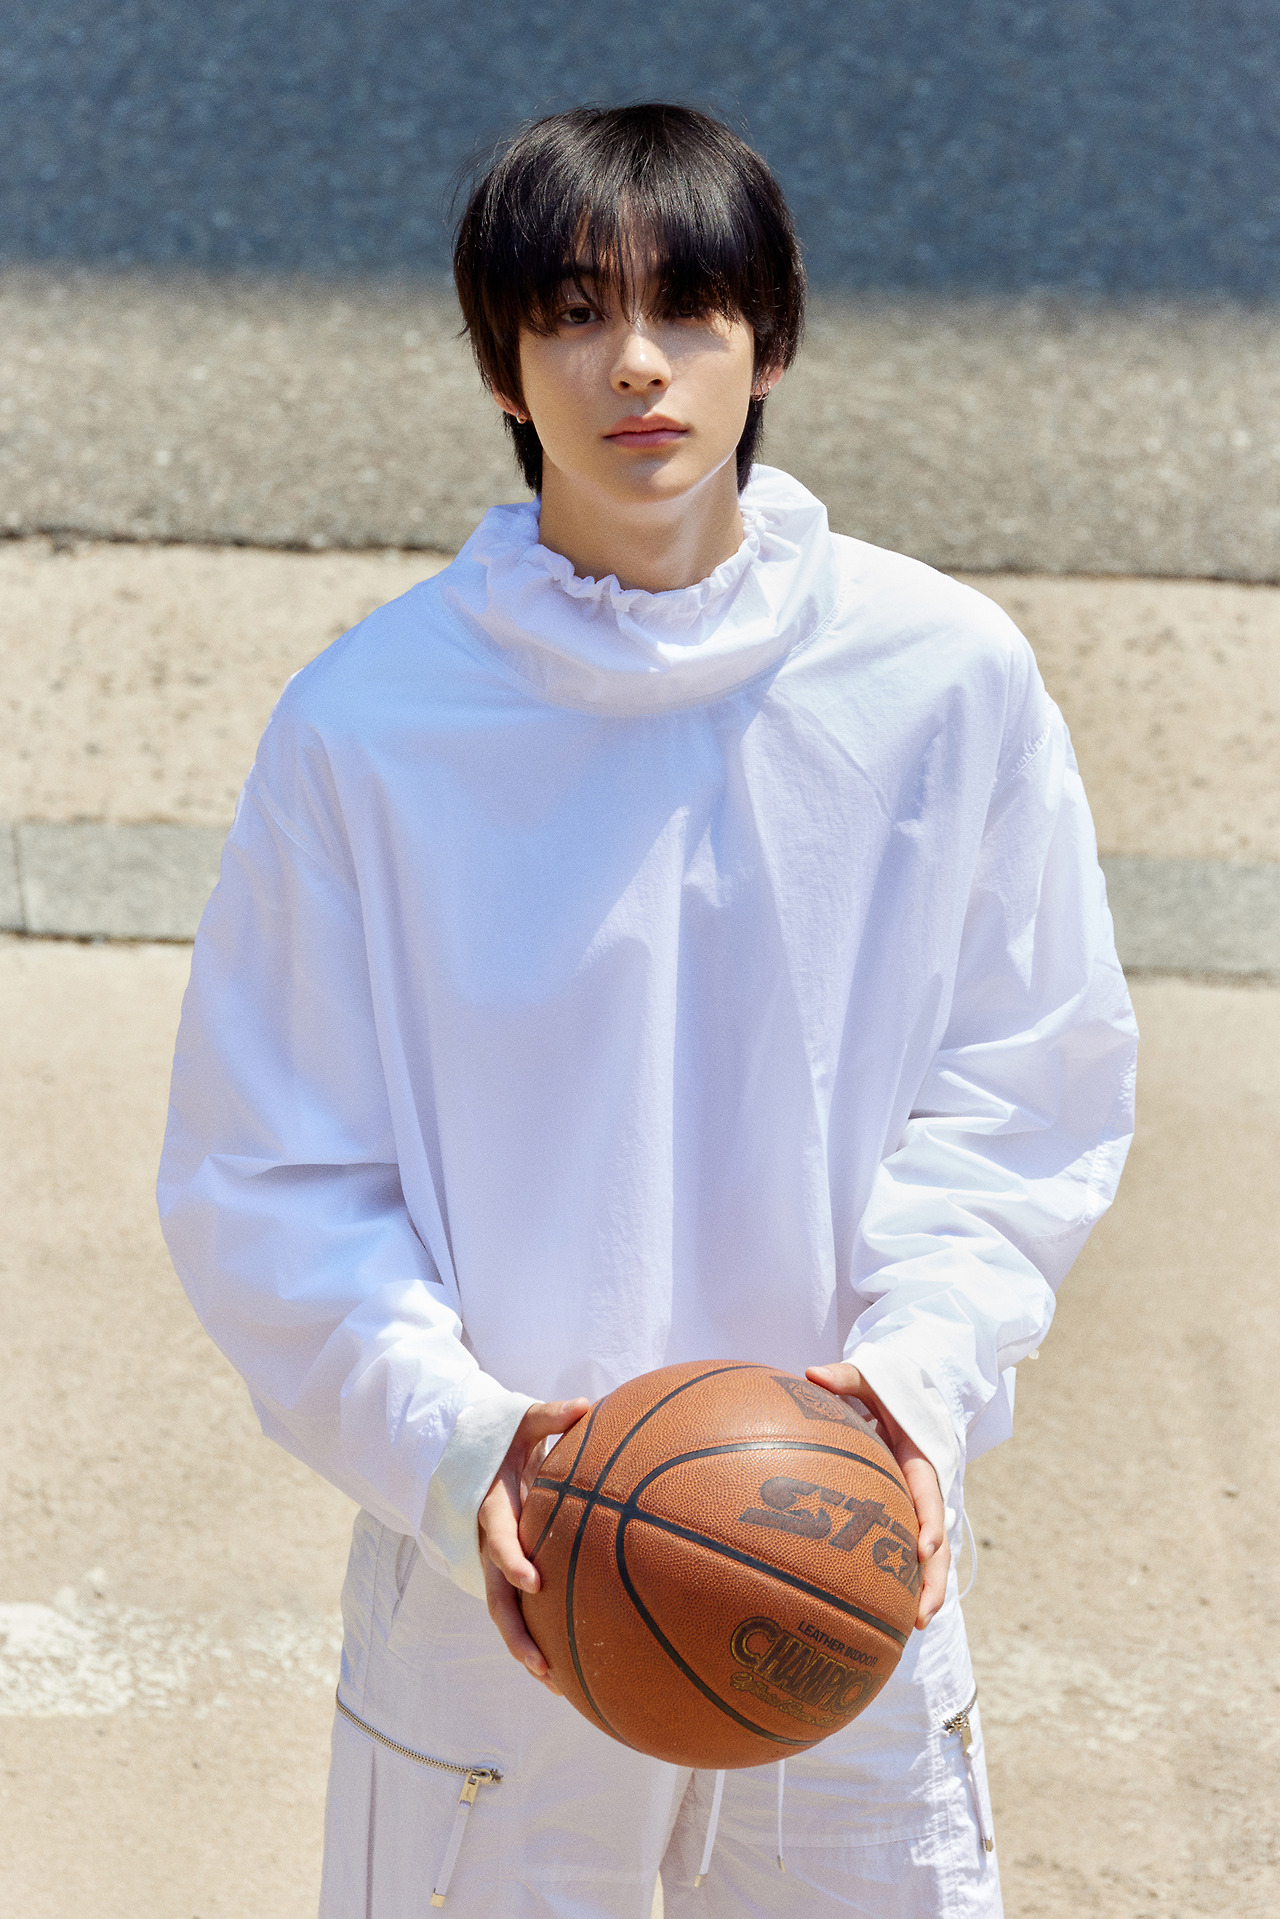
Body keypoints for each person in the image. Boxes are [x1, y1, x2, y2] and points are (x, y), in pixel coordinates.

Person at [157, 104, 1137, 1918]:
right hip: (501, 1572)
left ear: (771, 341)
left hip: (835, 1547)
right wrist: (456, 1446)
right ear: (502, 369)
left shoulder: (942, 679)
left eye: (688, 309)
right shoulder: (369, 728)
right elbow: (271, 1171)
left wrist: (916, 1385)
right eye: (572, 314)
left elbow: (1027, 1083)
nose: (635, 364)